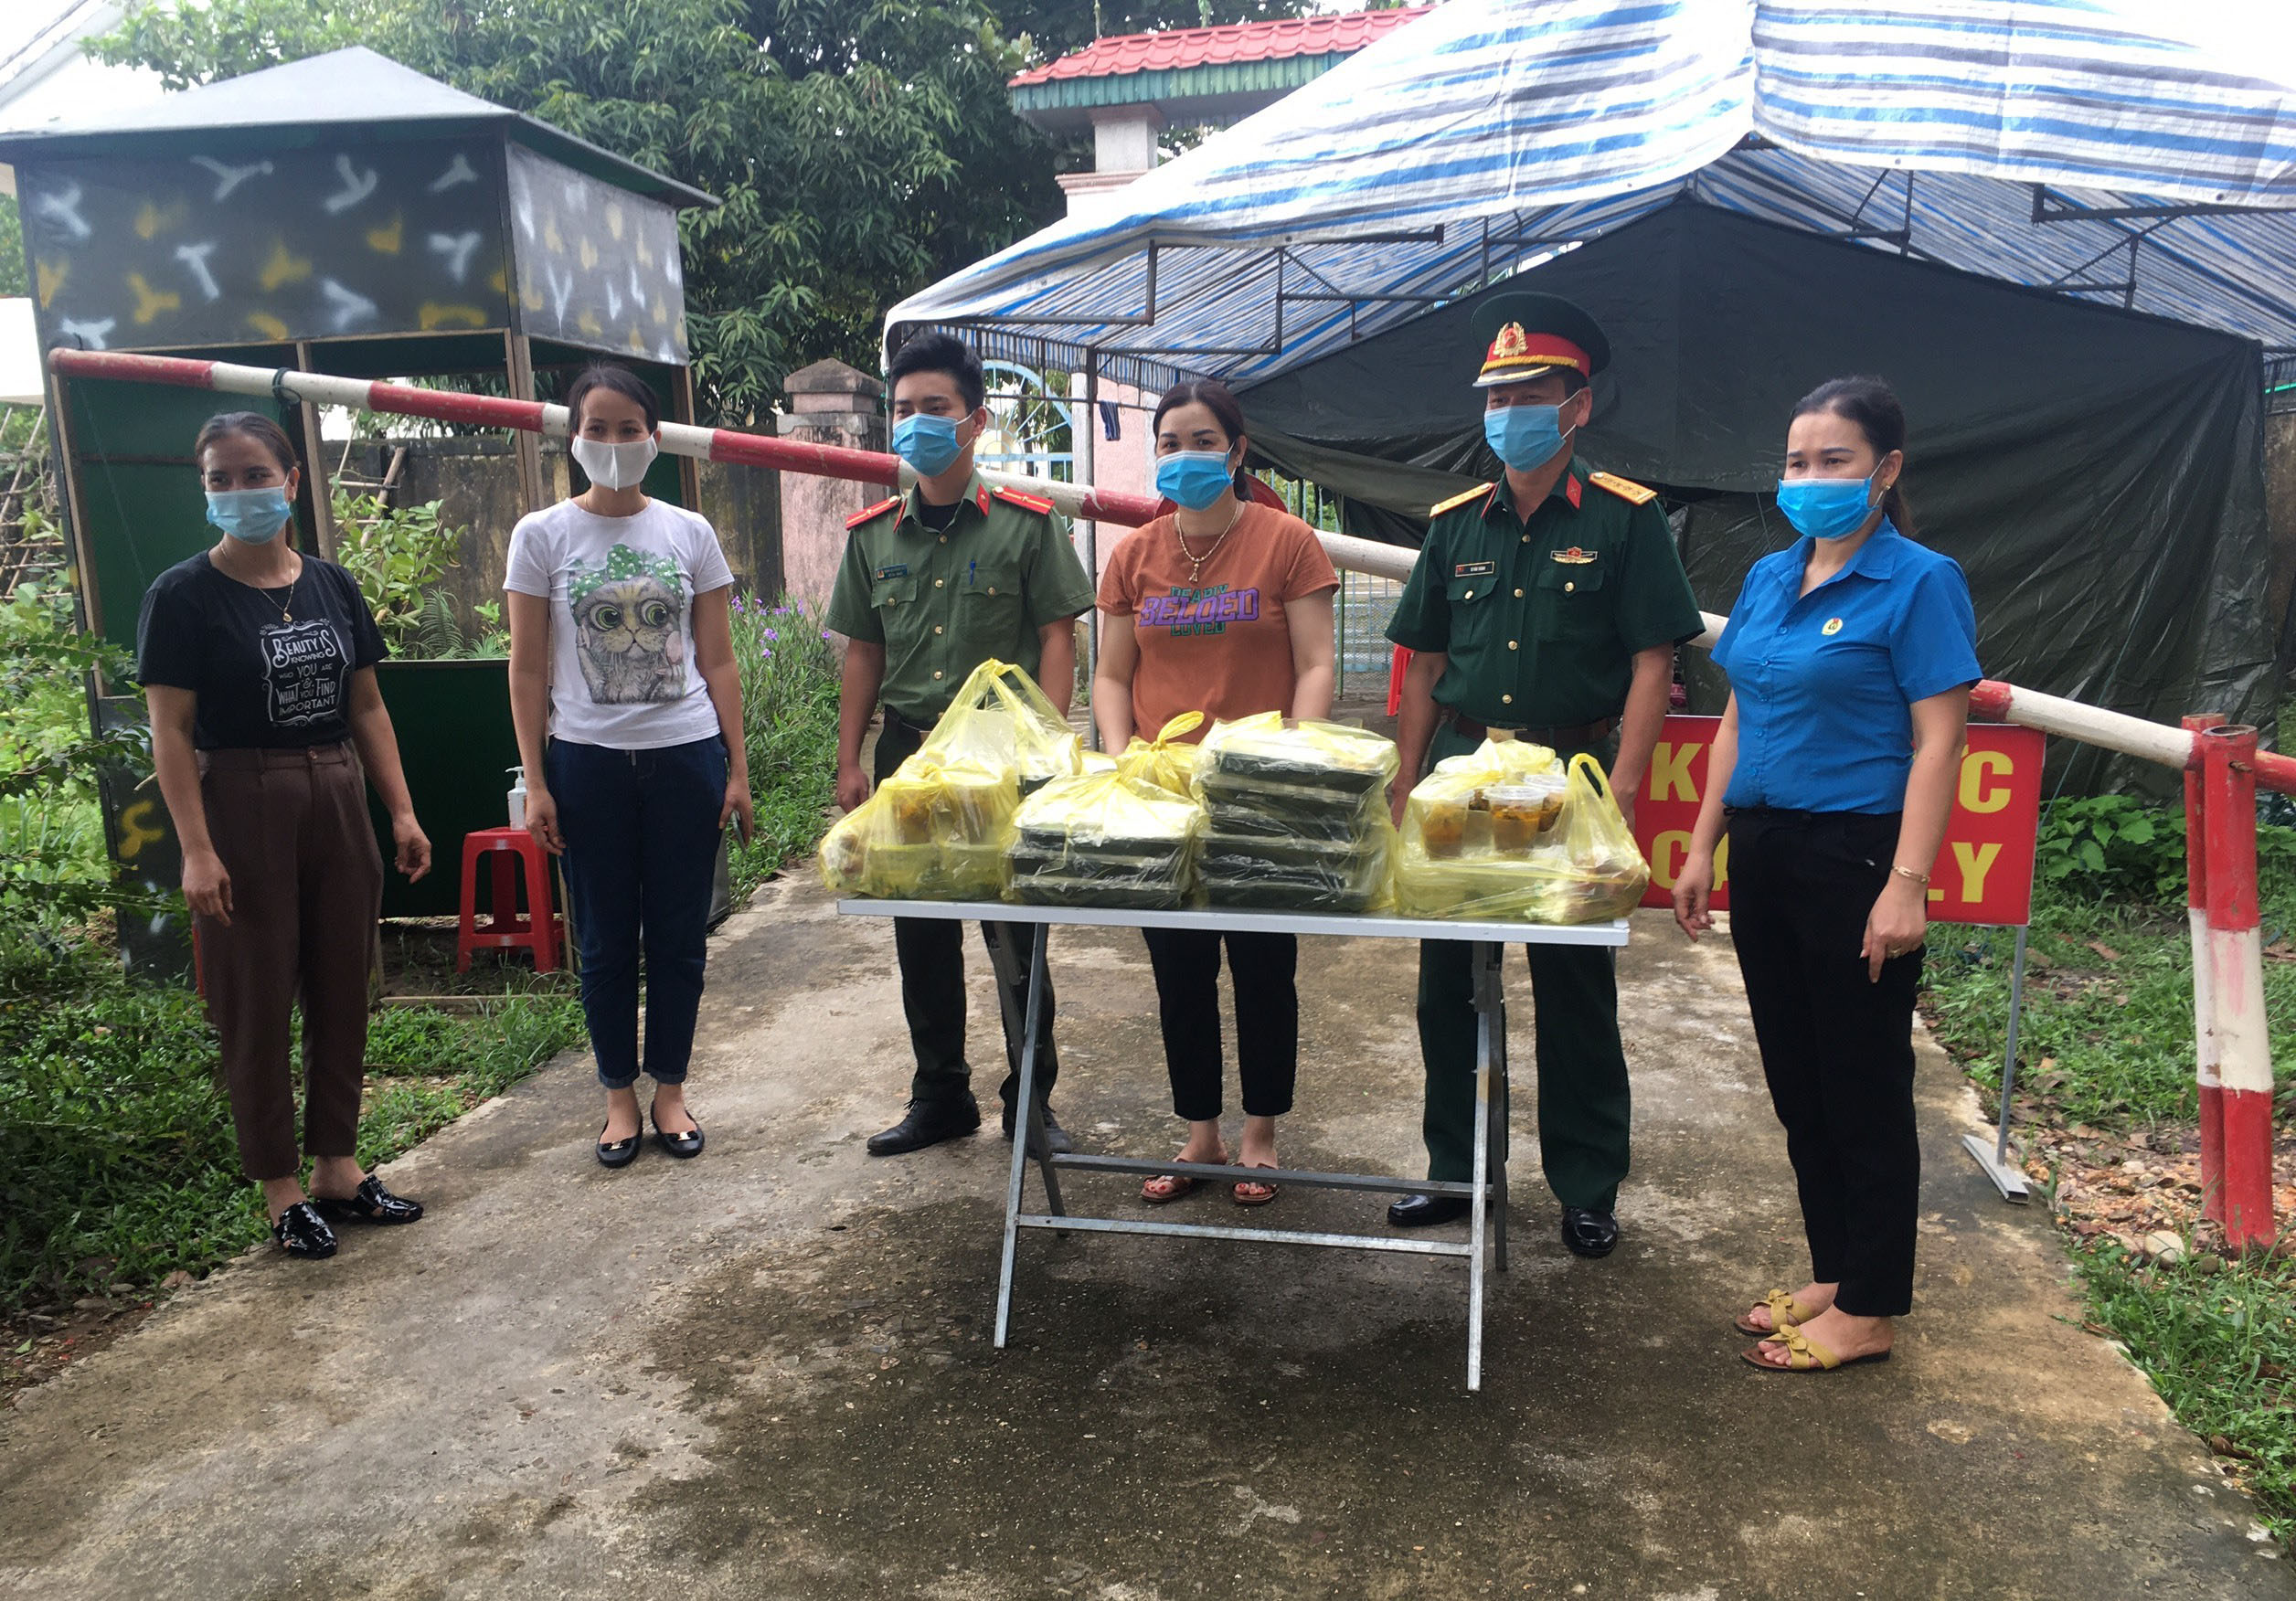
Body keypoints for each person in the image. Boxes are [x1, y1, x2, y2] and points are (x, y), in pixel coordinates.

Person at [1384, 292, 1705, 1256]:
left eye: (1530, 392)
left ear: (1578, 407)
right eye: (1495, 394)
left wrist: (1627, 791)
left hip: (1570, 778)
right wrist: (1405, 782)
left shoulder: (1624, 522)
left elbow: (1655, 662)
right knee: (1448, 981)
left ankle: (1585, 1182)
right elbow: (1427, 668)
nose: (1507, 411)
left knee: (1573, 988)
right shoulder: (1452, 526)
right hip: (1463, 776)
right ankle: (1457, 1168)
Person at [1672, 376, 1978, 1373]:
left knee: (1862, 1083)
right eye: (1796, 462)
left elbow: (1939, 744)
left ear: (1885, 471)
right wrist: (1701, 842)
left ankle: (1873, 1305)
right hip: (1763, 849)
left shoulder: (1921, 582)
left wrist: (1908, 882)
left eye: (1833, 461)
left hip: (1854, 855)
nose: (1809, 479)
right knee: (1798, 1081)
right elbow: (1734, 720)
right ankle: (1834, 1271)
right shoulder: (1769, 576)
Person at [138, 411, 433, 1259]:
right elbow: (171, 731)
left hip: (336, 787)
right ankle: (281, 1190)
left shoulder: (333, 587)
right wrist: (196, 848)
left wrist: (402, 811)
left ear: (293, 482)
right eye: (219, 481)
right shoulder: (183, 596)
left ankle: (338, 1167)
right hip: (242, 798)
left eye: (255, 476)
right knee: (256, 1000)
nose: (240, 493)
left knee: (345, 984)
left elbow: (368, 704)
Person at [828, 333, 1097, 1158]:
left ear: (975, 422)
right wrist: (849, 759)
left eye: (934, 409)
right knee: (922, 933)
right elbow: (864, 654)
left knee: (1016, 932)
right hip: (908, 755)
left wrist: (1046, 748)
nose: (916, 424)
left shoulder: (1026, 527)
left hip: (998, 754)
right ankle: (940, 1094)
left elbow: (1060, 638)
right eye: (903, 410)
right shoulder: (873, 537)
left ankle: (1030, 1102)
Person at [1093, 378, 1339, 1206]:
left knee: (1266, 965)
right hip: (1163, 796)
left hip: (1259, 792)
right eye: (1169, 443)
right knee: (1180, 971)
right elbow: (1110, 675)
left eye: (1202, 442)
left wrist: (1291, 764)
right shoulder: (1133, 556)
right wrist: (1123, 761)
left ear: (1236, 452)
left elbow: (1315, 665)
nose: (1184, 457)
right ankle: (1199, 1131)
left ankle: (1261, 1133)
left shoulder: (1288, 541)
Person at [506, 365, 753, 1168]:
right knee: (608, 942)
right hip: (588, 766)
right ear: (573, 437)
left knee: (680, 937)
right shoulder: (540, 536)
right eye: (597, 429)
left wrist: (736, 770)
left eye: (629, 429)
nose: (613, 444)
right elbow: (526, 669)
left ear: (655, 437)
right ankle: (618, 1098)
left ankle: (671, 1090)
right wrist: (536, 781)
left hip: (684, 757)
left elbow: (718, 661)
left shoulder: (689, 531)